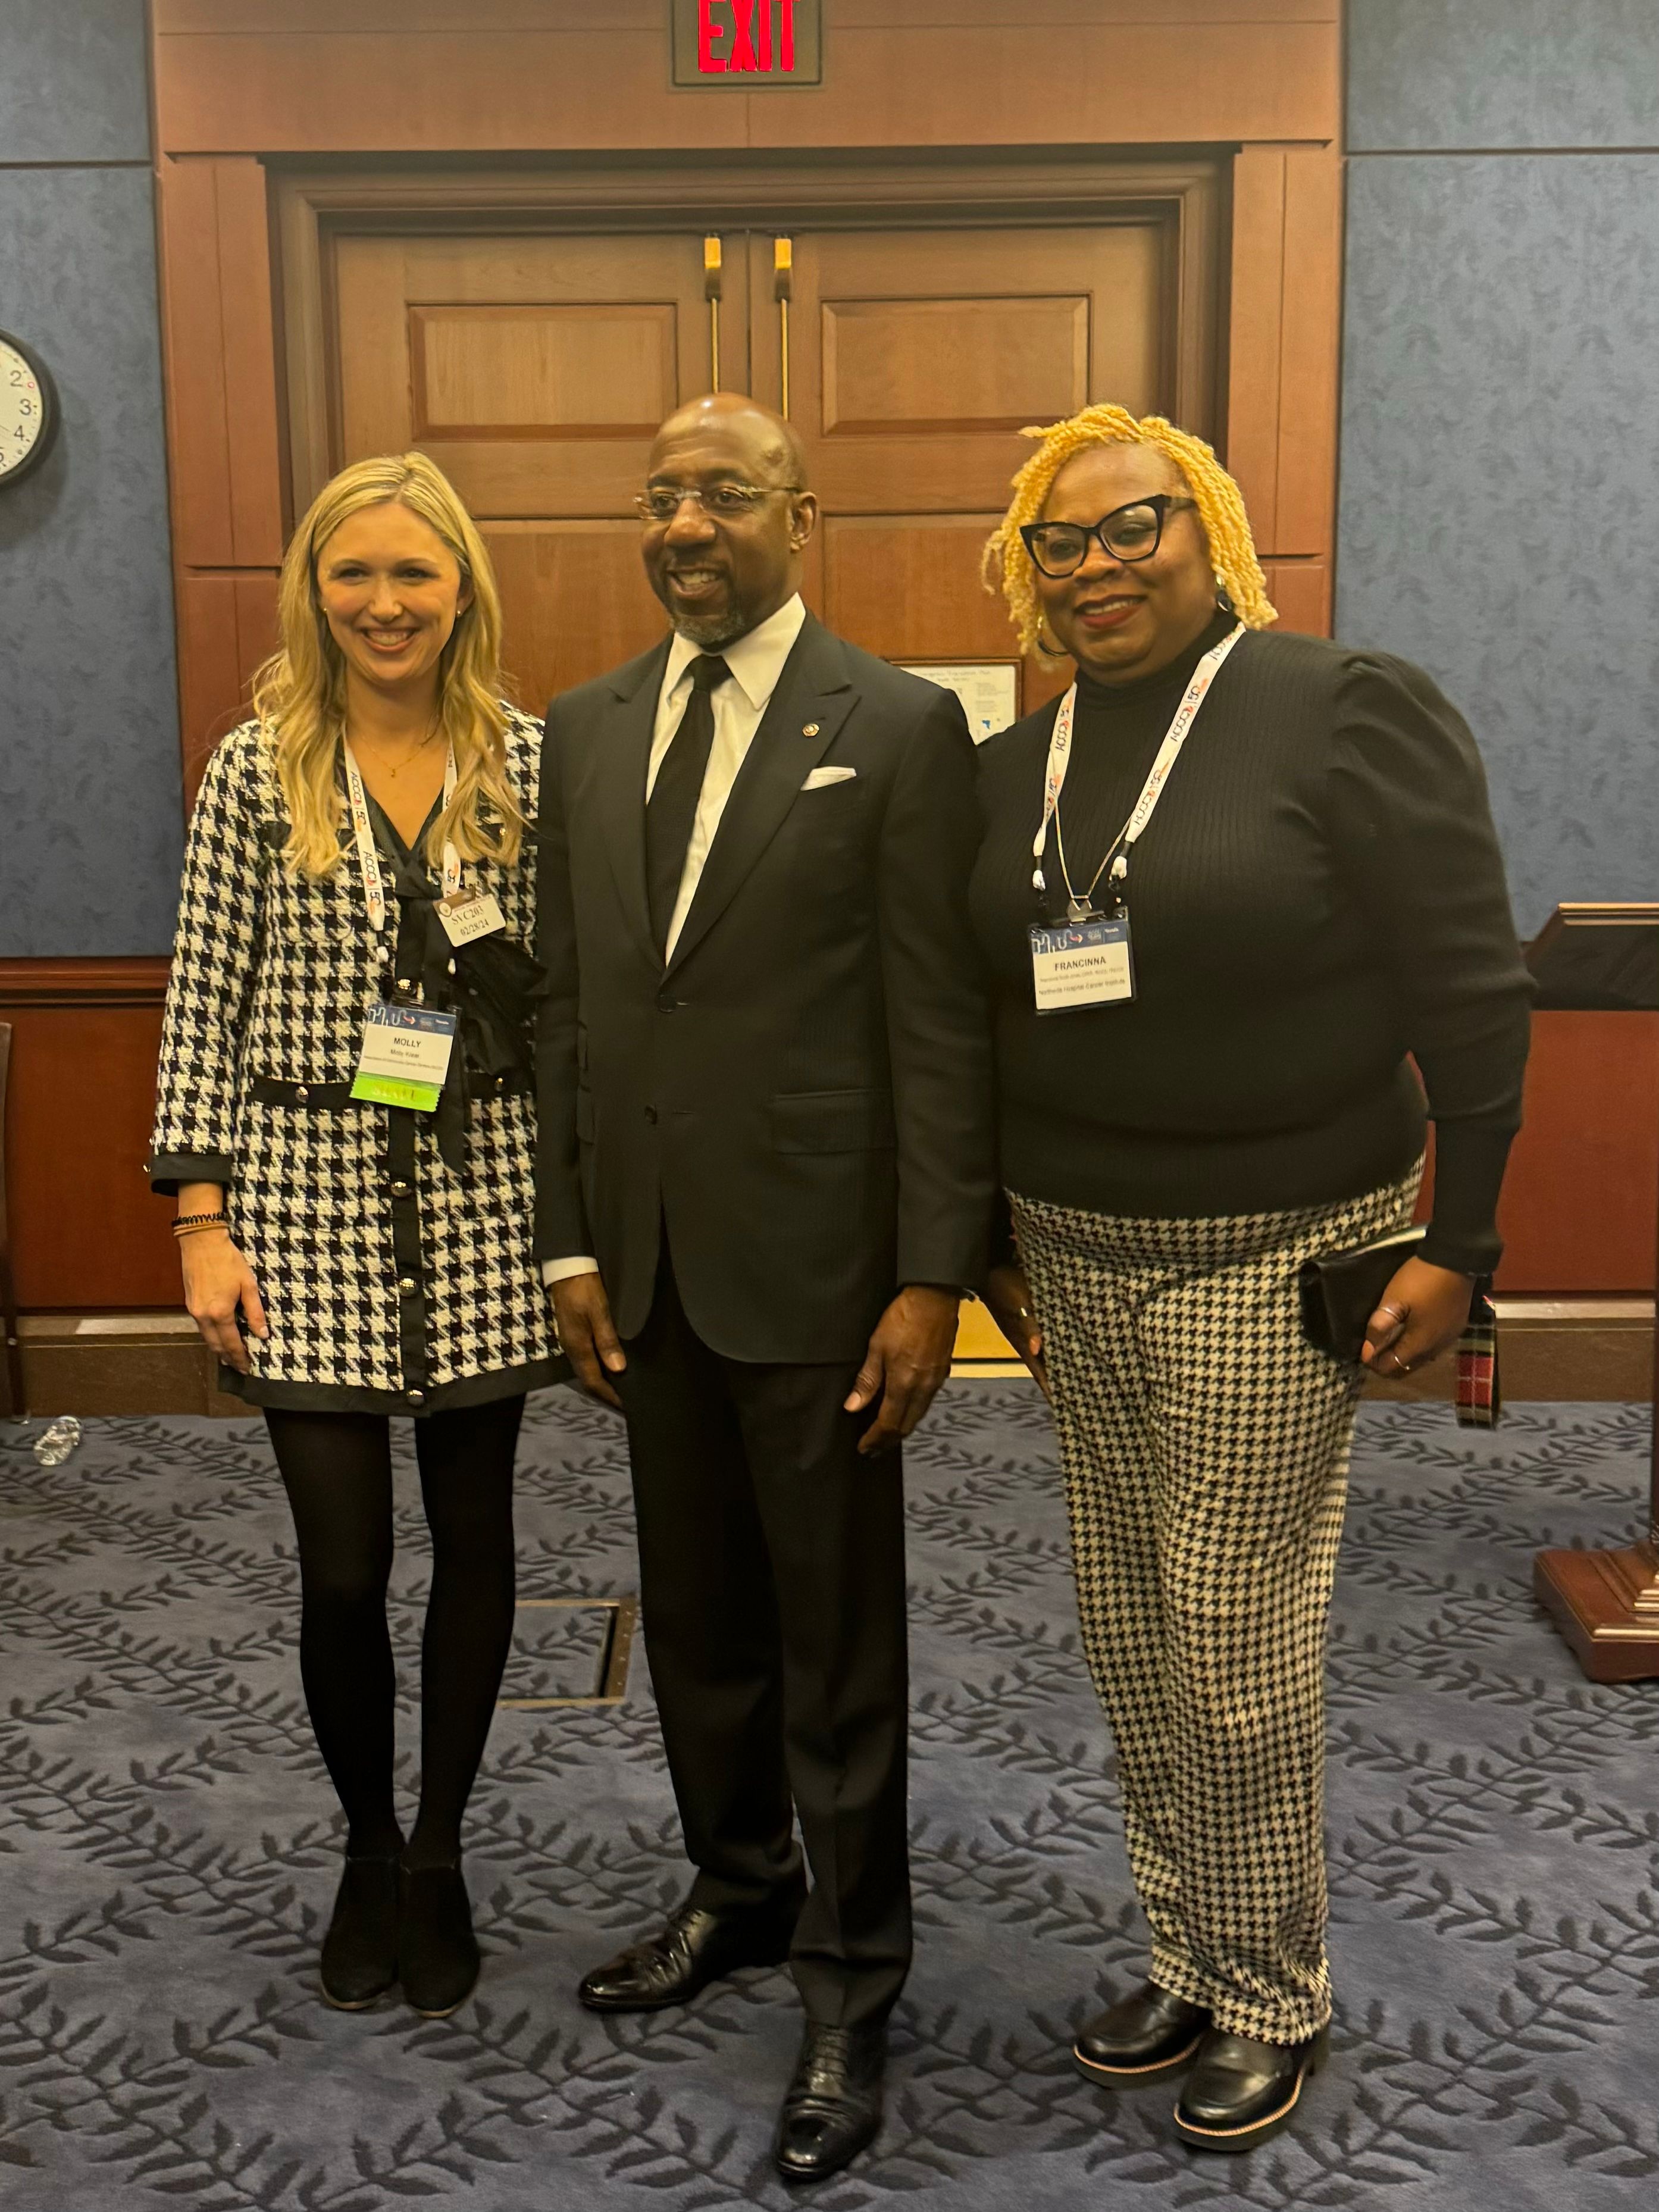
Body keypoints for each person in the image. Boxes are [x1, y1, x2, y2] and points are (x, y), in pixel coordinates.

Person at [972, 405, 1532, 2151]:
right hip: (1074, 1250)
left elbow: (1468, 985)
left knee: (1230, 1629)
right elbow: (979, 1011)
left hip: (1273, 1245)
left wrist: (1462, 1241)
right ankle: (1189, 1953)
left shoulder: (1340, 707)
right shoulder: (1016, 764)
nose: (1096, 565)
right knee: (1134, 1630)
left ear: (1205, 528)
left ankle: (1272, 1988)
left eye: (1131, 526)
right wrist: (989, 1245)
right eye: (1060, 541)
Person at [536, 393, 993, 2183]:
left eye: (722, 492)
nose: (684, 524)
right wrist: (571, 1240)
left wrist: (931, 1273)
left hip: (820, 1268)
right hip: (645, 1262)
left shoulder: (895, 724)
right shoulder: (585, 730)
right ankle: (736, 1888)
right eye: (659, 496)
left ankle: (852, 1976)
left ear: (801, 514)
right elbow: (573, 1006)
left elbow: (938, 1021)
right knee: (696, 1620)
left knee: (831, 1646)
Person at [149, 451, 561, 2022]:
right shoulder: (257, 771)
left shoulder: (527, 764)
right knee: (343, 1568)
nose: (385, 604)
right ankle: (366, 1846)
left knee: (478, 1547)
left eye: (414, 574)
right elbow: (203, 999)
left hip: (482, 1199)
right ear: (313, 592)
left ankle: (441, 1851)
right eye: (355, 575)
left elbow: (565, 998)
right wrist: (201, 1221)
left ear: (462, 589)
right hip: (300, 1203)